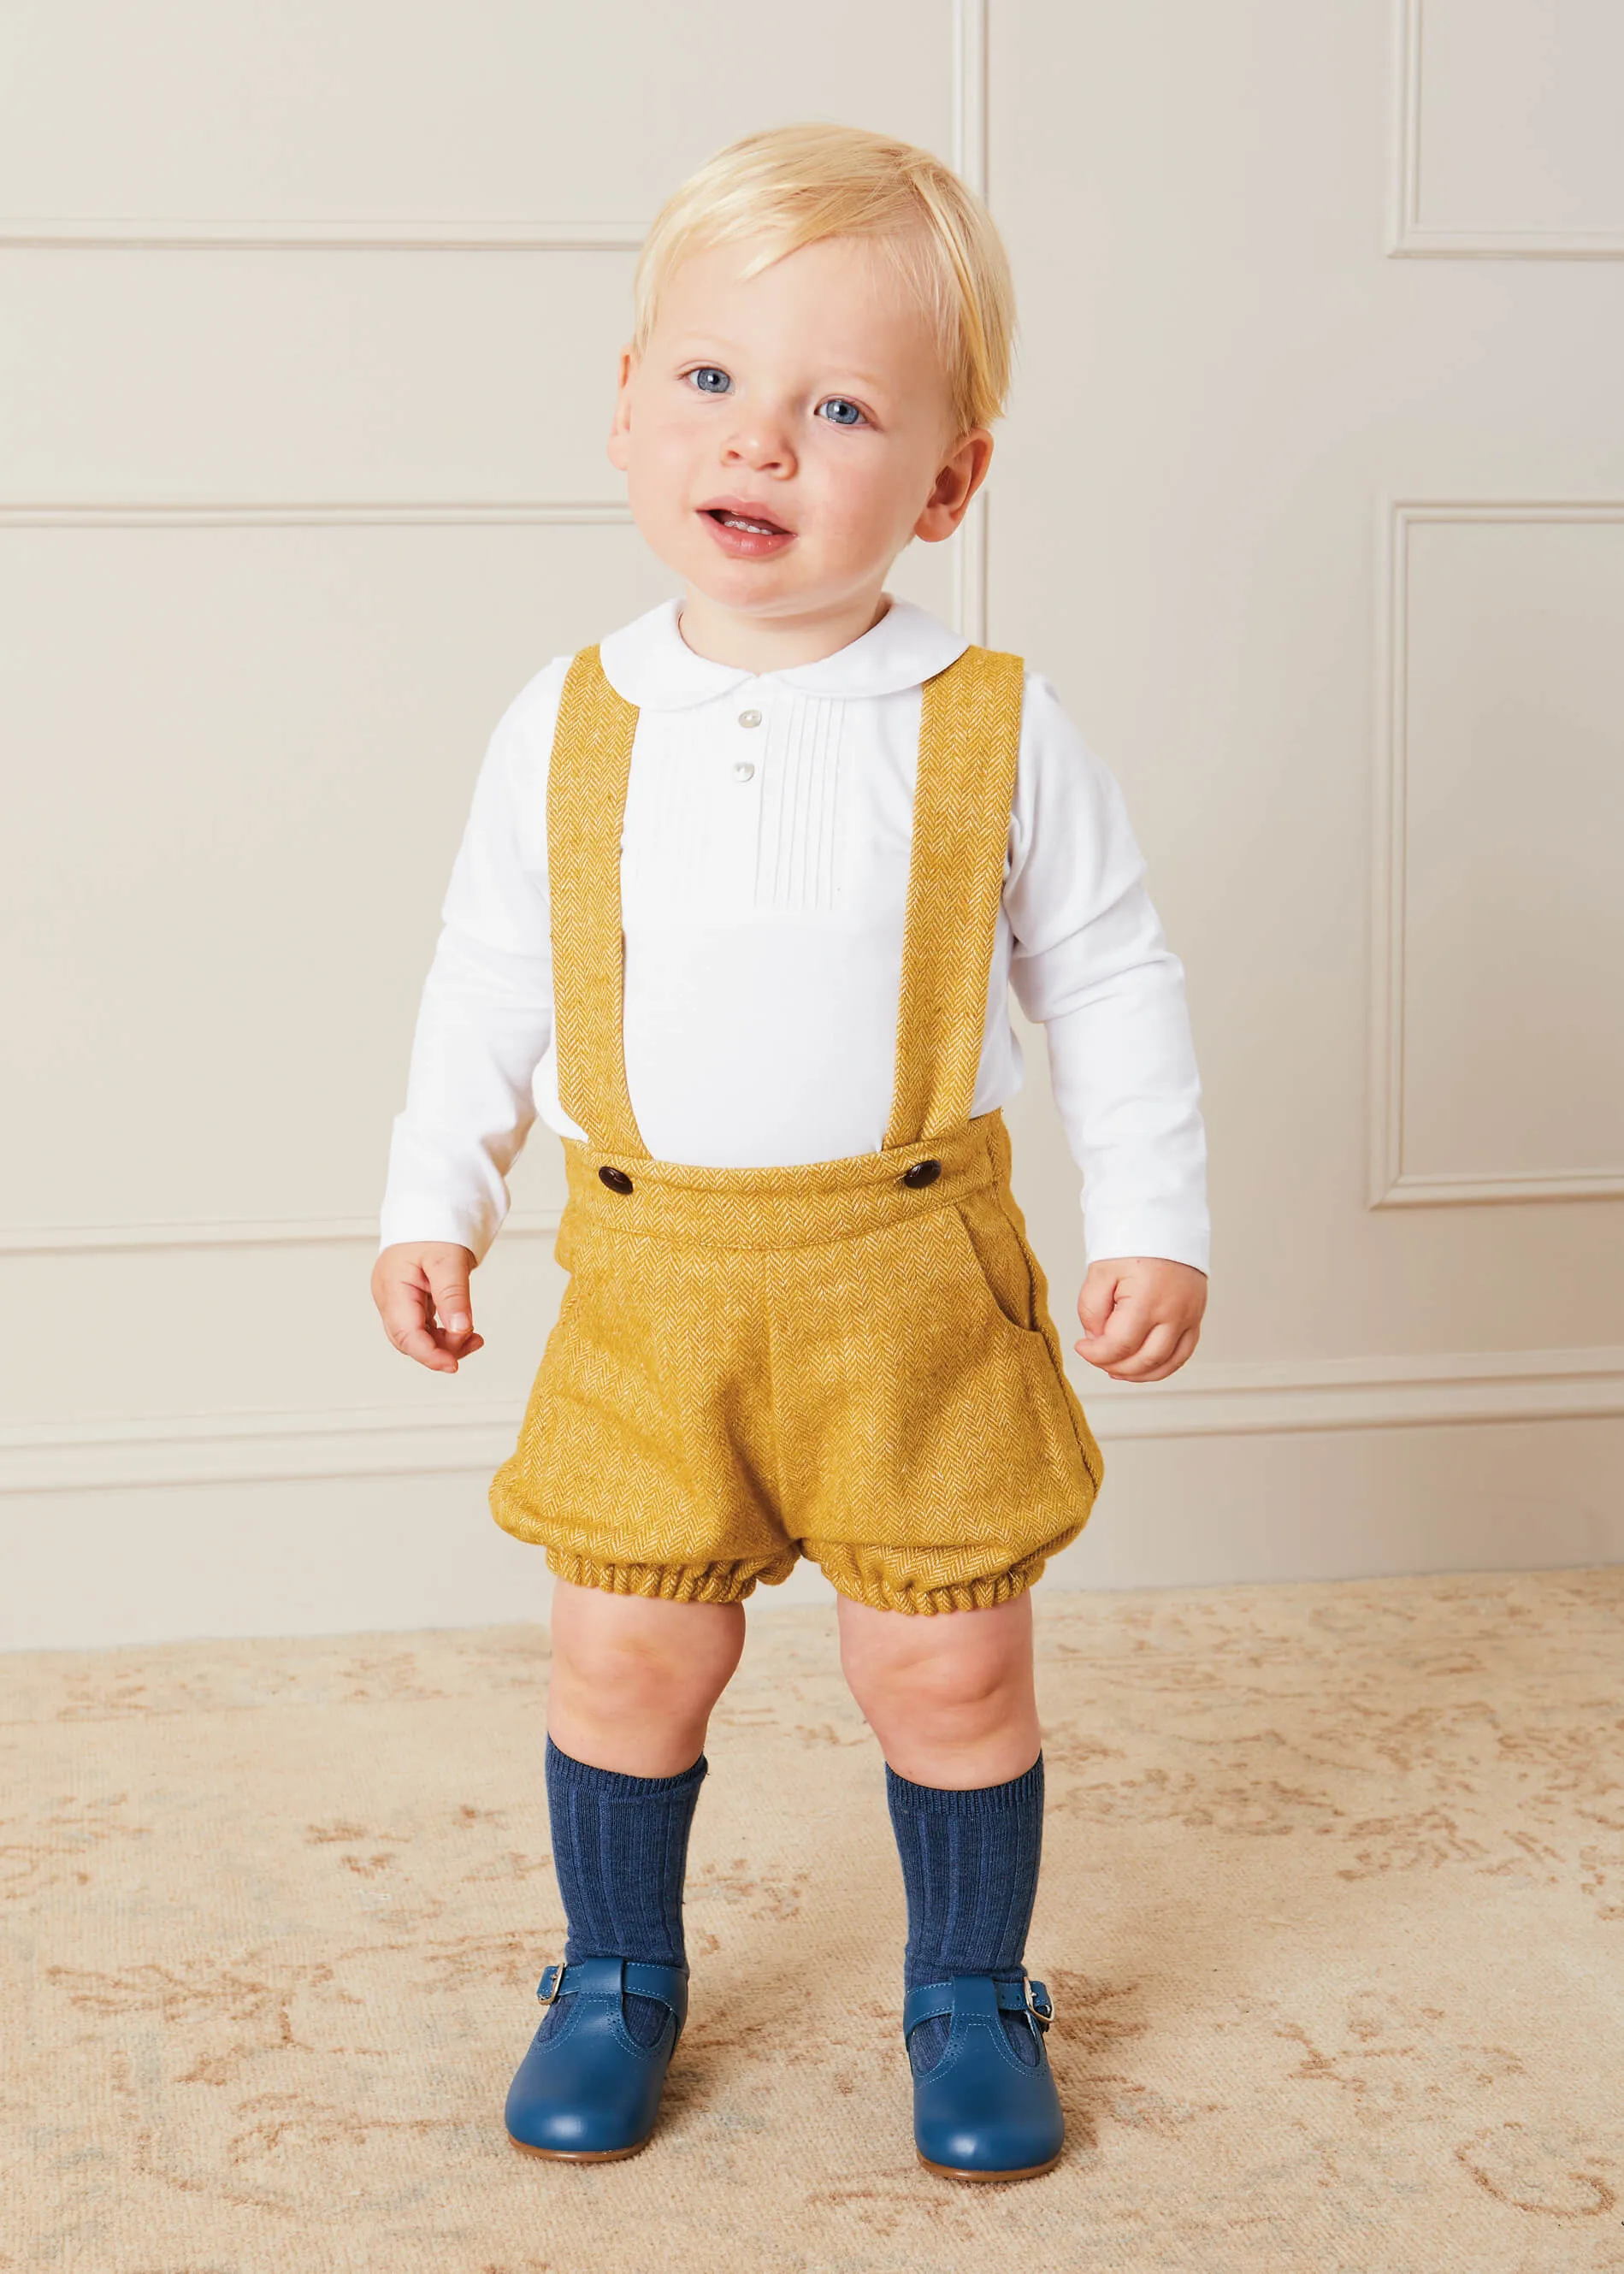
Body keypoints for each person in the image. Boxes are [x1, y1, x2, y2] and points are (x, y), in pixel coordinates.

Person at [371, 122, 1208, 2182]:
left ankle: (966, 1988)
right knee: (627, 1643)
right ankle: (611, 1972)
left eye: (838, 408)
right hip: (649, 1284)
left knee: (947, 1656)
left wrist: (1158, 1219)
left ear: (944, 480)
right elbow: (489, 972)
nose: (760, 443)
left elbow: (1107, 976)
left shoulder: (990, 720)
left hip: (912, 1284)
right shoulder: (568, 717)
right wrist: (434, 1197)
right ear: (628, 409)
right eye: (714, 383)